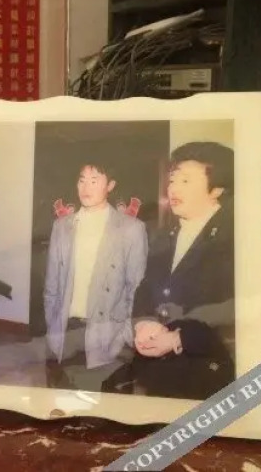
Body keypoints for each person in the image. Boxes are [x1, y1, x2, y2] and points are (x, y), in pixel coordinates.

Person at [110, 141, 235, 399]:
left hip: (207, 371)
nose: (173, 189)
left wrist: (179, 338)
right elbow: (147, 286)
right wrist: (144, 323)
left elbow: (237, 309)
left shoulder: (234, 237)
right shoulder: (167, 233)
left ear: (217, 189)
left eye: (186, 181)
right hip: (160, 368)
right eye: (172, 180)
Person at [43, 161, 148, 392]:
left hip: (109, 335)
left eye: (94, 181)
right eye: (82, 180)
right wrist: (53, 329)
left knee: (107, 407)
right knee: (67, 402)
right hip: (68, 332)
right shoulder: (62, 226)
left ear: (110, 185)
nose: (86, 187)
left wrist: (126, 336)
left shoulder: (131, 228)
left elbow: (137, 288)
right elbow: (52, 286)